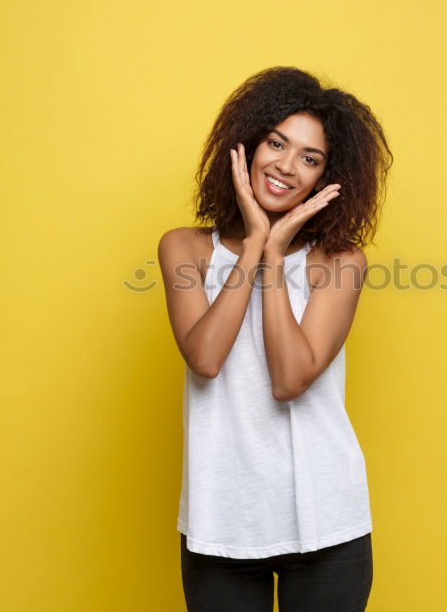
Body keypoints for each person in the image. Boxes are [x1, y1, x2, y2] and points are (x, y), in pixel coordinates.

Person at [158, 66, 392, 611]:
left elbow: (290, 380)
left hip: (326, 521)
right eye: (276, 143)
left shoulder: (339, 262)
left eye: (309, 158)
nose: (286, 166)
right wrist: (258, 240)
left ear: (328, 178)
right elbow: (206, 358)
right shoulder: (185, 248)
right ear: (246, 145)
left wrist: (271, 260)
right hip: (220, 521)